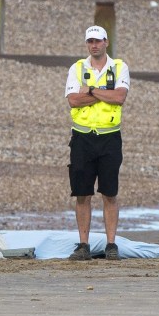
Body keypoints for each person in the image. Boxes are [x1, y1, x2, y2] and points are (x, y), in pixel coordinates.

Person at [65, 26, 130, 261]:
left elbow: (120, 97)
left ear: (106, 42)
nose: (94, 45)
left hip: (110, 137)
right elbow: (73, 100)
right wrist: (105, 92)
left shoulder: (119, 67)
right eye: (90, 41)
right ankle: (84, 244)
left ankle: (111, 244)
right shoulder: (77, 68)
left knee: (109, 192)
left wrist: (90, 90)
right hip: (82, 138)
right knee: (82, 193)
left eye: (98, 41)